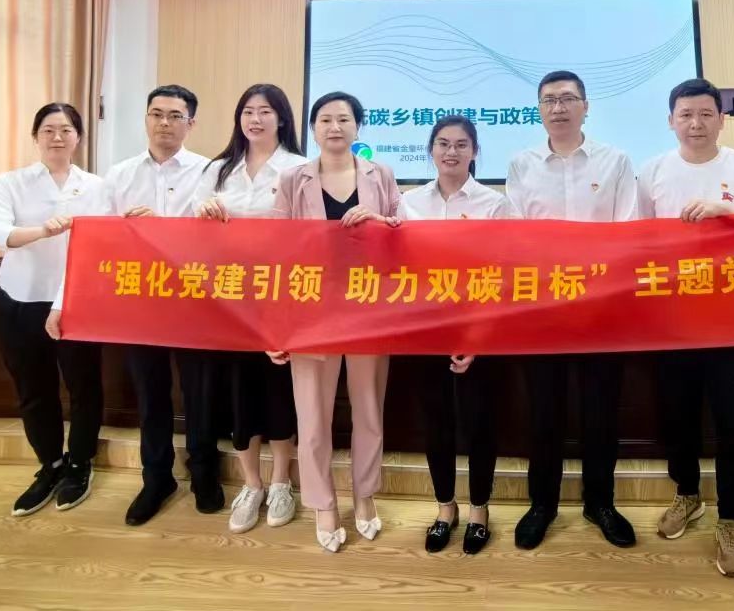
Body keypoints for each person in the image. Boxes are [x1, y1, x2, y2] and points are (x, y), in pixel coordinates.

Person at [48, 84, 221, 525]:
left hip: (196, 301)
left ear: (191, 124)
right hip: (140, 304)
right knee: (150, 393)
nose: (165, 123)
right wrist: (63, 302)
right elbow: (91, 241)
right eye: (157, 114)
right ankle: (156, 478)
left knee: (200, 392)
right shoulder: (119, 176)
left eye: (175, 116)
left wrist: (163, 226)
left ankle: (204, 472)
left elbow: (219, 238)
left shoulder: (211, 172)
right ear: (146, 119)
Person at [639, 78, 734, 578]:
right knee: (677, 417)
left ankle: (732, 518)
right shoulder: (652, 170)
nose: (695, 124)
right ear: (670, 120)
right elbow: (636, 242)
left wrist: (725, 212)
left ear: (721, 119)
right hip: (673, 320)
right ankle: (688, 494)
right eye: (685, 114)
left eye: (705, 114)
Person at [506, 70, 639, 550]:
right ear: (539, 110)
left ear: (586, 106)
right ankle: (542, 504)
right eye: (549, 100)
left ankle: (600, 503)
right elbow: (516, 235)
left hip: (601, 309)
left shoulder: (616, 160)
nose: (558, 107)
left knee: (600, 412)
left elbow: (628, 231)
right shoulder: (521, 164)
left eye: (567, 99)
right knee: (544, 413)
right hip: (543, 310)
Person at [271, 91, 401, 553]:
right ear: (312, 128)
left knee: (368, 410)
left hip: (369, 308)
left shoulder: (381, 174)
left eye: (344, 119)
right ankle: (322, 502)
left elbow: (404, 237)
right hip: (310, 312)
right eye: (325, 119)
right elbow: (277, 251)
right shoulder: (293, 179)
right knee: (312, 415)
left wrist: (381, 221)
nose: (335, 127)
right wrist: (277, 325)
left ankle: (364, 494)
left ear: (358, 126)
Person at [0, 103, 107, 516]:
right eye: (48, 129)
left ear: (79, 138)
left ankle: (80, 464)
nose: (57, 137)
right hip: (19, 299)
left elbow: (103, 244)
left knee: (84, 387)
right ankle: (50, 464)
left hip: (76, 302)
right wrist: (42, 230)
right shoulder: (10, 182)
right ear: (35, 136)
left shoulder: (97, 187)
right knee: (33, 390)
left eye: (66, 129)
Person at [192, 83, 308, 535]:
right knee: (238, 390)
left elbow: (306, 231)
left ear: (282, 119)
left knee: (278, 389)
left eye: (265, 111)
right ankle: (251, 484)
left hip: (281, 296)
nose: (255, 119)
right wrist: (204, 213)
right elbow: (190, 227)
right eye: (248, 111)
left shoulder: (299, 168)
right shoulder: (217, 169)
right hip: (230, 299)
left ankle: (280, 482)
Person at [400, 114, 514, 556]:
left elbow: (502, 273)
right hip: (425, 331)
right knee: (436, 424)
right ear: (430, 150)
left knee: (480, 424)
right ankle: (445, 508)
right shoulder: (408, 203)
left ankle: (480, 510)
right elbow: (398, 269)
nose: (452, 151)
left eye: (462, 144)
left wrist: (477, 336)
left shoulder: (494, 204)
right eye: (443, 143)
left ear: (475, 152)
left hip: (478, 333)